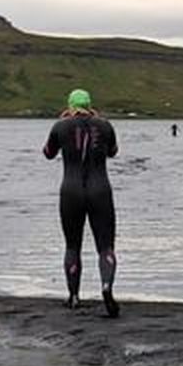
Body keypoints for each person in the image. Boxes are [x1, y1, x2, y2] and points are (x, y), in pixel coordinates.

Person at [42, 87, 119, 317]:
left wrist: (61, 123)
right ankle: (106, 286)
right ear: (89, 105)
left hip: (71, 191)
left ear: (70, 106)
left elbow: (48, 153)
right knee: (105, 246)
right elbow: (113, 152)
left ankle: (74, 296)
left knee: (72, 245)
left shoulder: (60, 126)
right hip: (100, 190)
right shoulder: (105, 125)